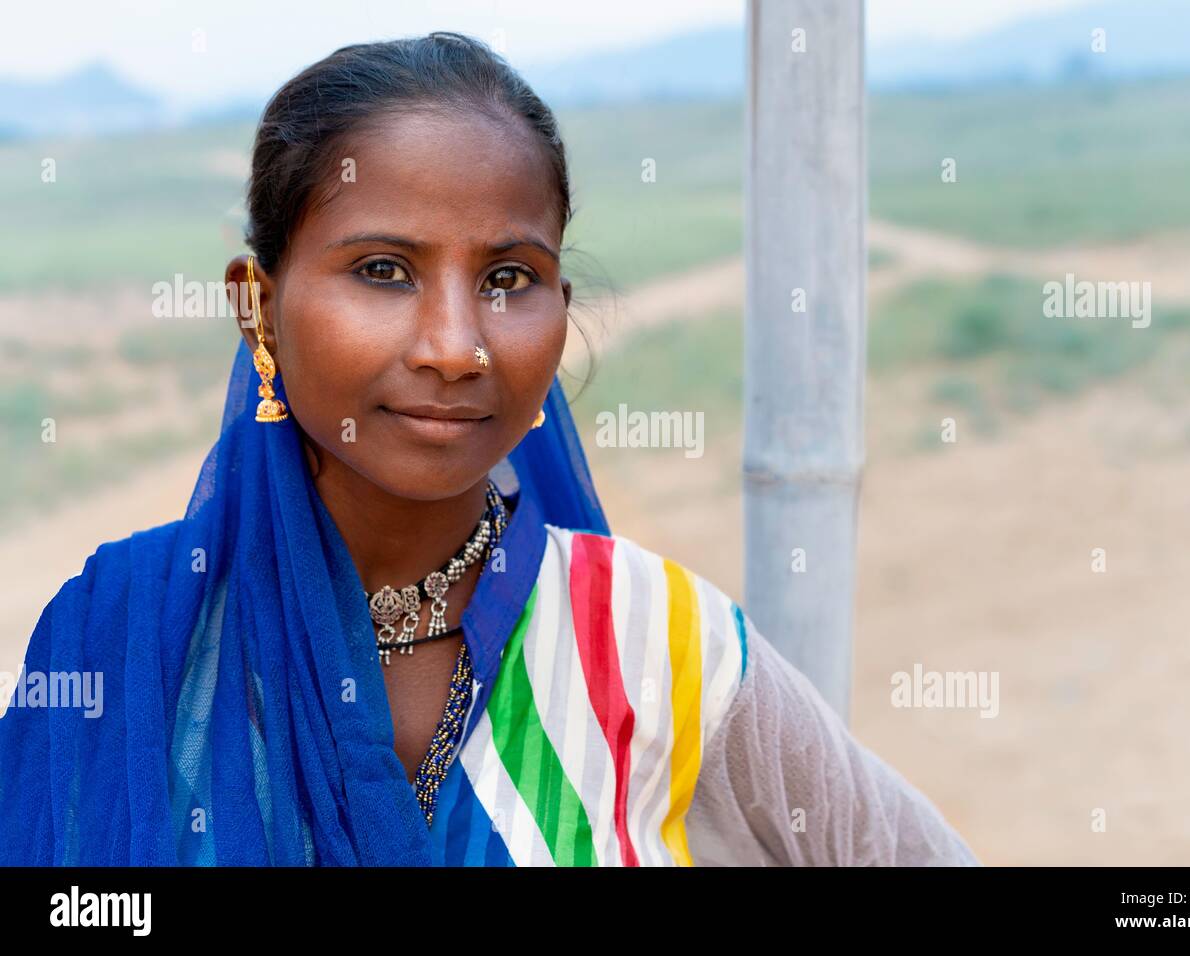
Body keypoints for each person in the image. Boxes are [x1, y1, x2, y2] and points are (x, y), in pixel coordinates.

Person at [0, 31, 978, 867]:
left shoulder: (655, 647)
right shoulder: (125, 636)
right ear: (257, 306)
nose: (457, 345)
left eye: (510, 276)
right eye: (382, 270)